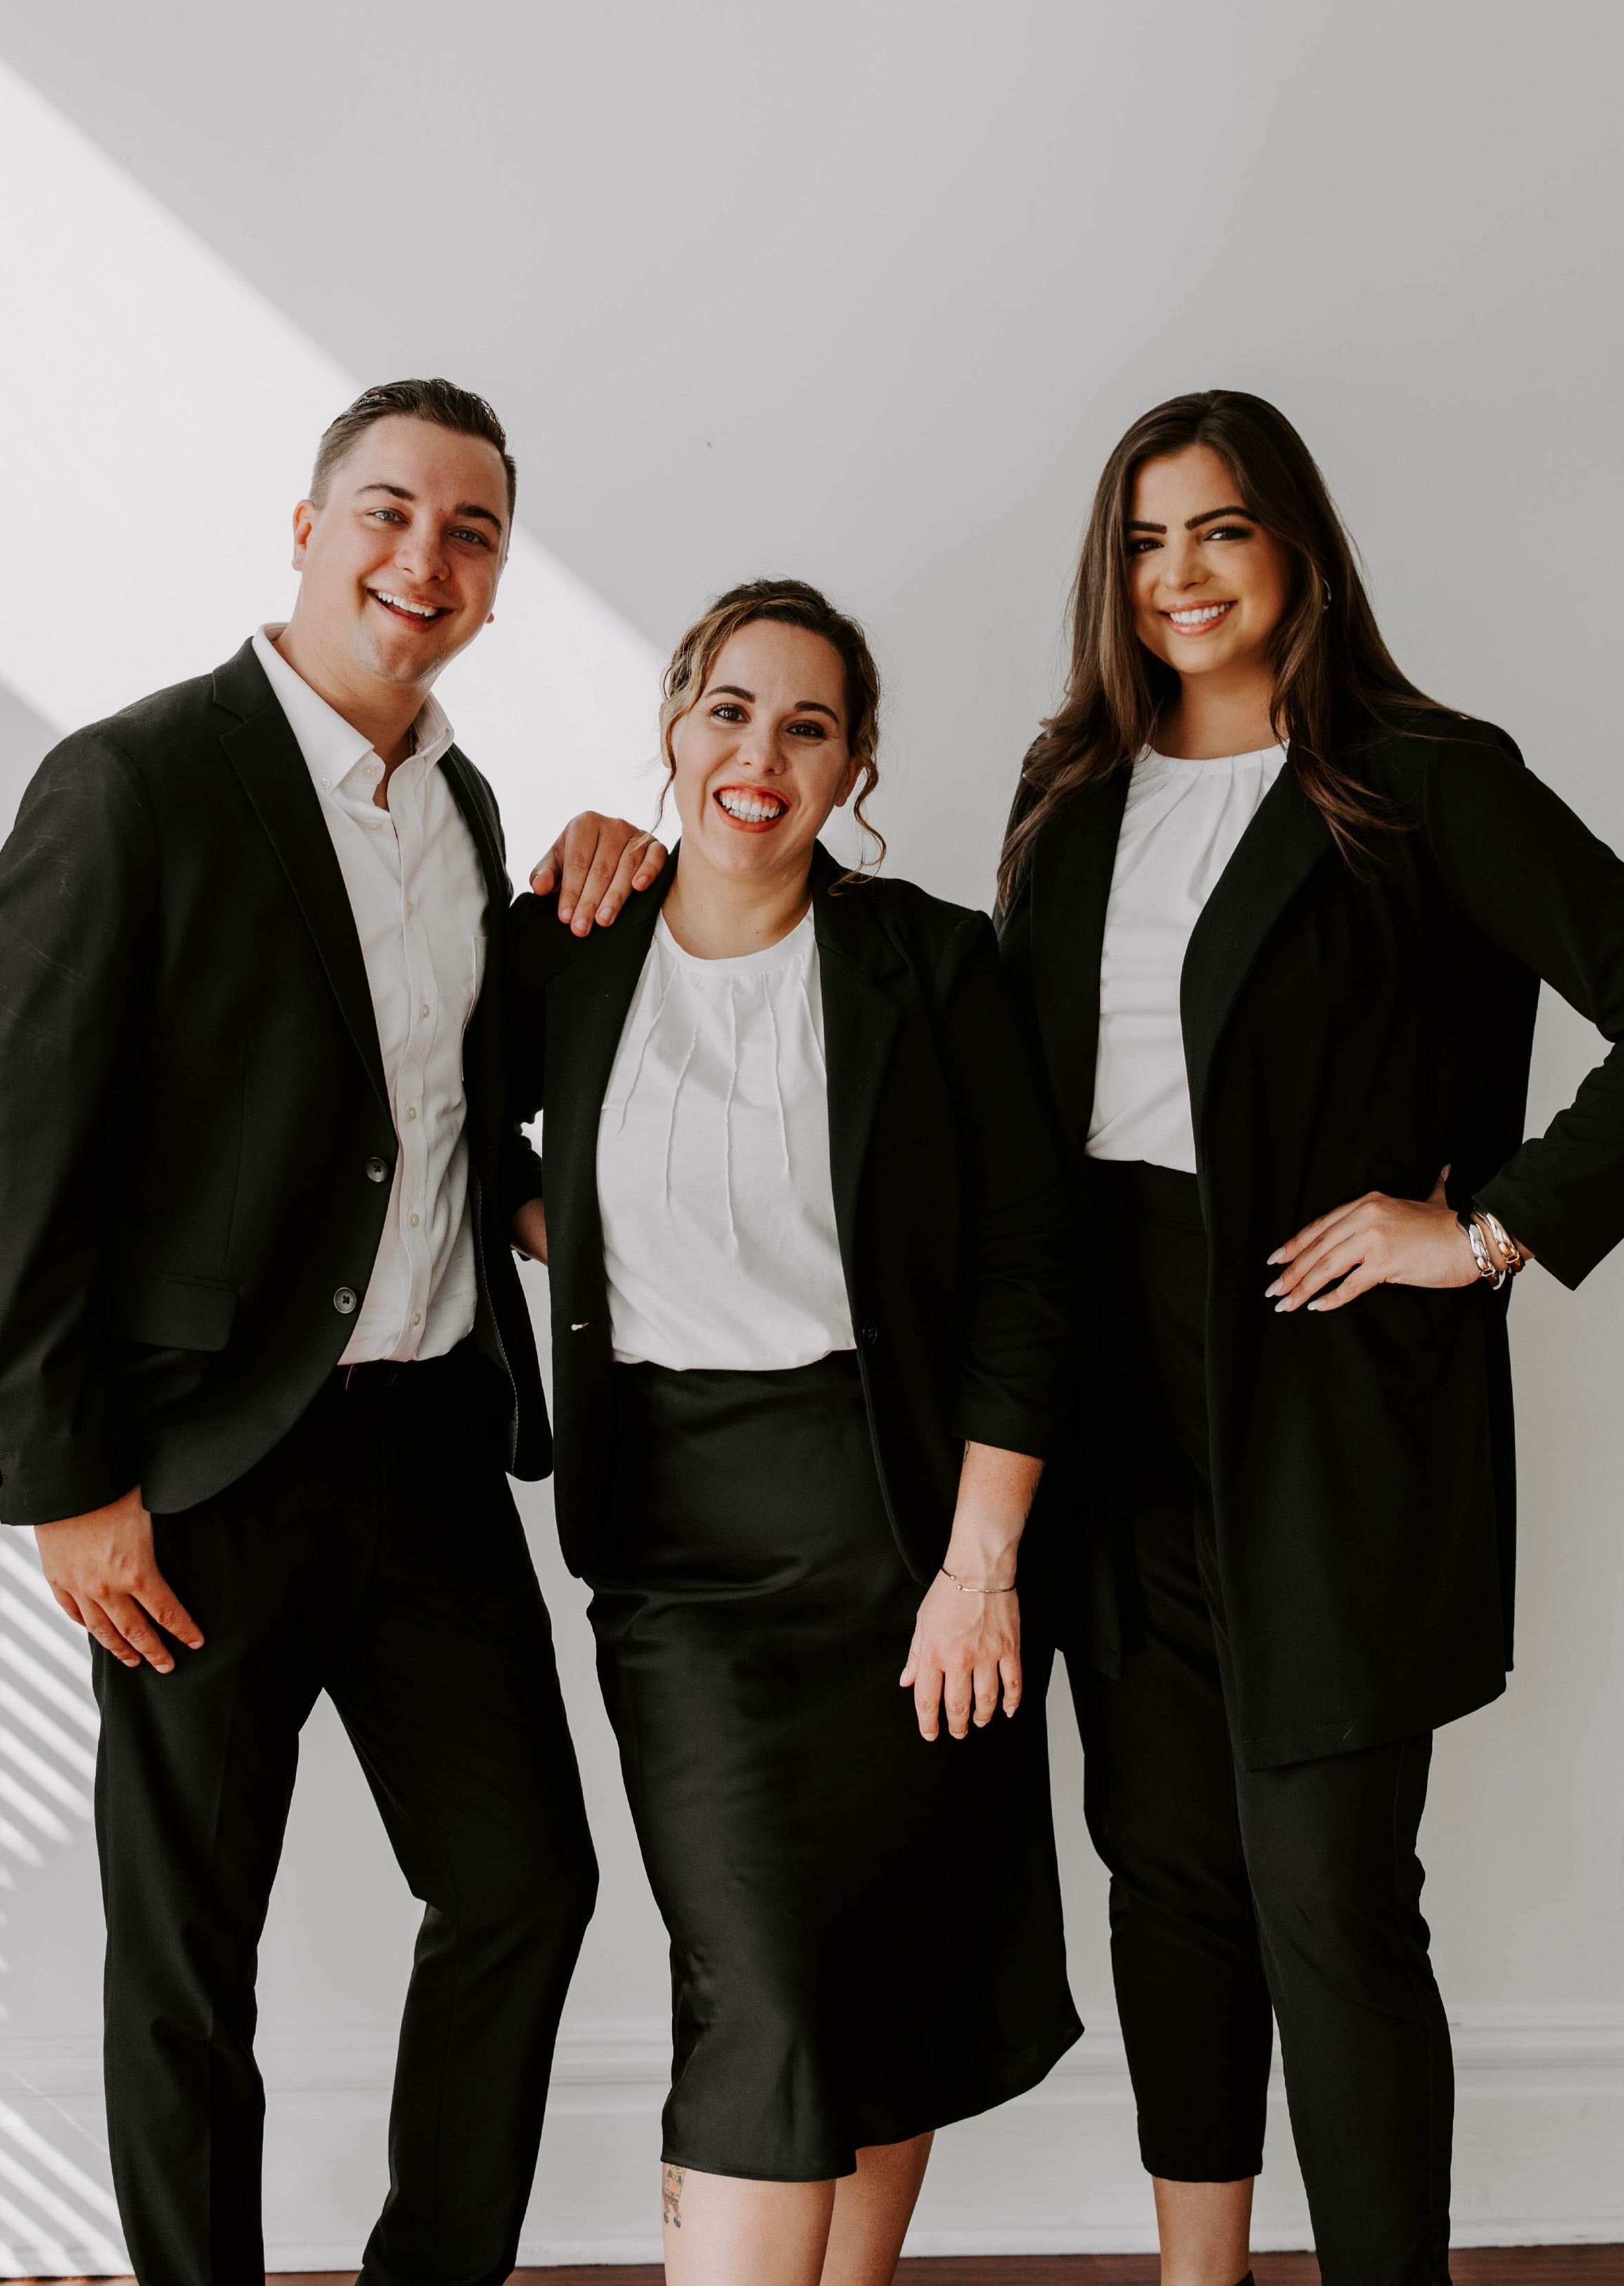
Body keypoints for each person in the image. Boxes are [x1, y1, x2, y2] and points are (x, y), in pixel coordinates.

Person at [0, 378, 668, 2286]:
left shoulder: (460, 803)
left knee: (524, 1886)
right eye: (387, 512)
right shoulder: (136, 781)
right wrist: (66, 1479)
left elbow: (452, 1113)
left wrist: (599, 894)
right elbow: (12, 1140)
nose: (422, 558)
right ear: (305, 526)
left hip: (429, 1454)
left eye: (470, 531)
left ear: (500, 578)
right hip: (194, 1476)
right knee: (189, 1961)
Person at [995, 388, 1624, 2286]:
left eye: (1214, 530)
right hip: (1108, 1405)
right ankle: (1194, 2276)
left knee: (1330, 1903)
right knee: (1167, 1884)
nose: (1175, 577)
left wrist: (1481, 1233)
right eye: (1141, 542)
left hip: (1327, 1415)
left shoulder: (1421, 778)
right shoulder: (1068, 792)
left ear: (1291, 543)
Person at [506, 579, 1082, 2286]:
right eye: (730, 710)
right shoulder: (565, 944)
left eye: (807, 725)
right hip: (681, 1558)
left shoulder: (933, 965)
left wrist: (979, 1571)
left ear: (854, 767)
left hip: (907, 1536)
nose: (761, 754)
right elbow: (422, 1119)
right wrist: (560, 1221)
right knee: (756, 1982)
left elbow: (1027, 1278)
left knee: (878, 1984)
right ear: (675, 726)